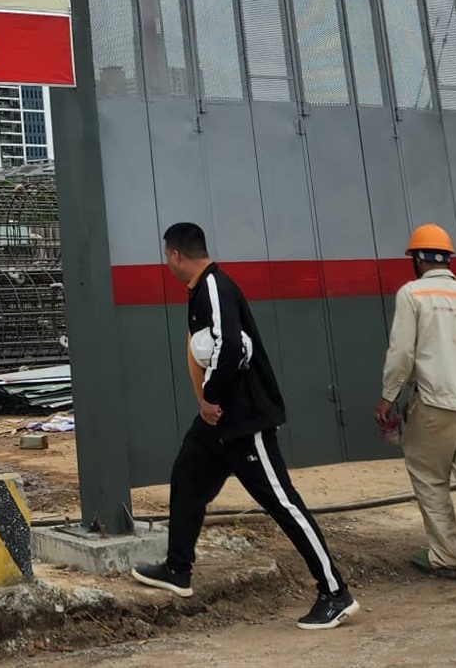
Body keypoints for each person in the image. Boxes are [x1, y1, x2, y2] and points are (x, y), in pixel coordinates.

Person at [132, 222, 359, 630]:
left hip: (243, 420)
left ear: (175, 255)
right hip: (217, 423)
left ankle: (335, 592)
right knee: (187, 475)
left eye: (166, 256)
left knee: (283, 503)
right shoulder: (200, 289)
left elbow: (231, 346)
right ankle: (177, 568)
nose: (166, 262)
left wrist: (211, 399)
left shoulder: (214, 286)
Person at [375, 223, 456, 587]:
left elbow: (402, 353)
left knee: (431, 482)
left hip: (432, 407)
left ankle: (446, 556)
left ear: (417, 259)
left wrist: (388, 396)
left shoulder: (412, 294)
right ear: (448, 258)